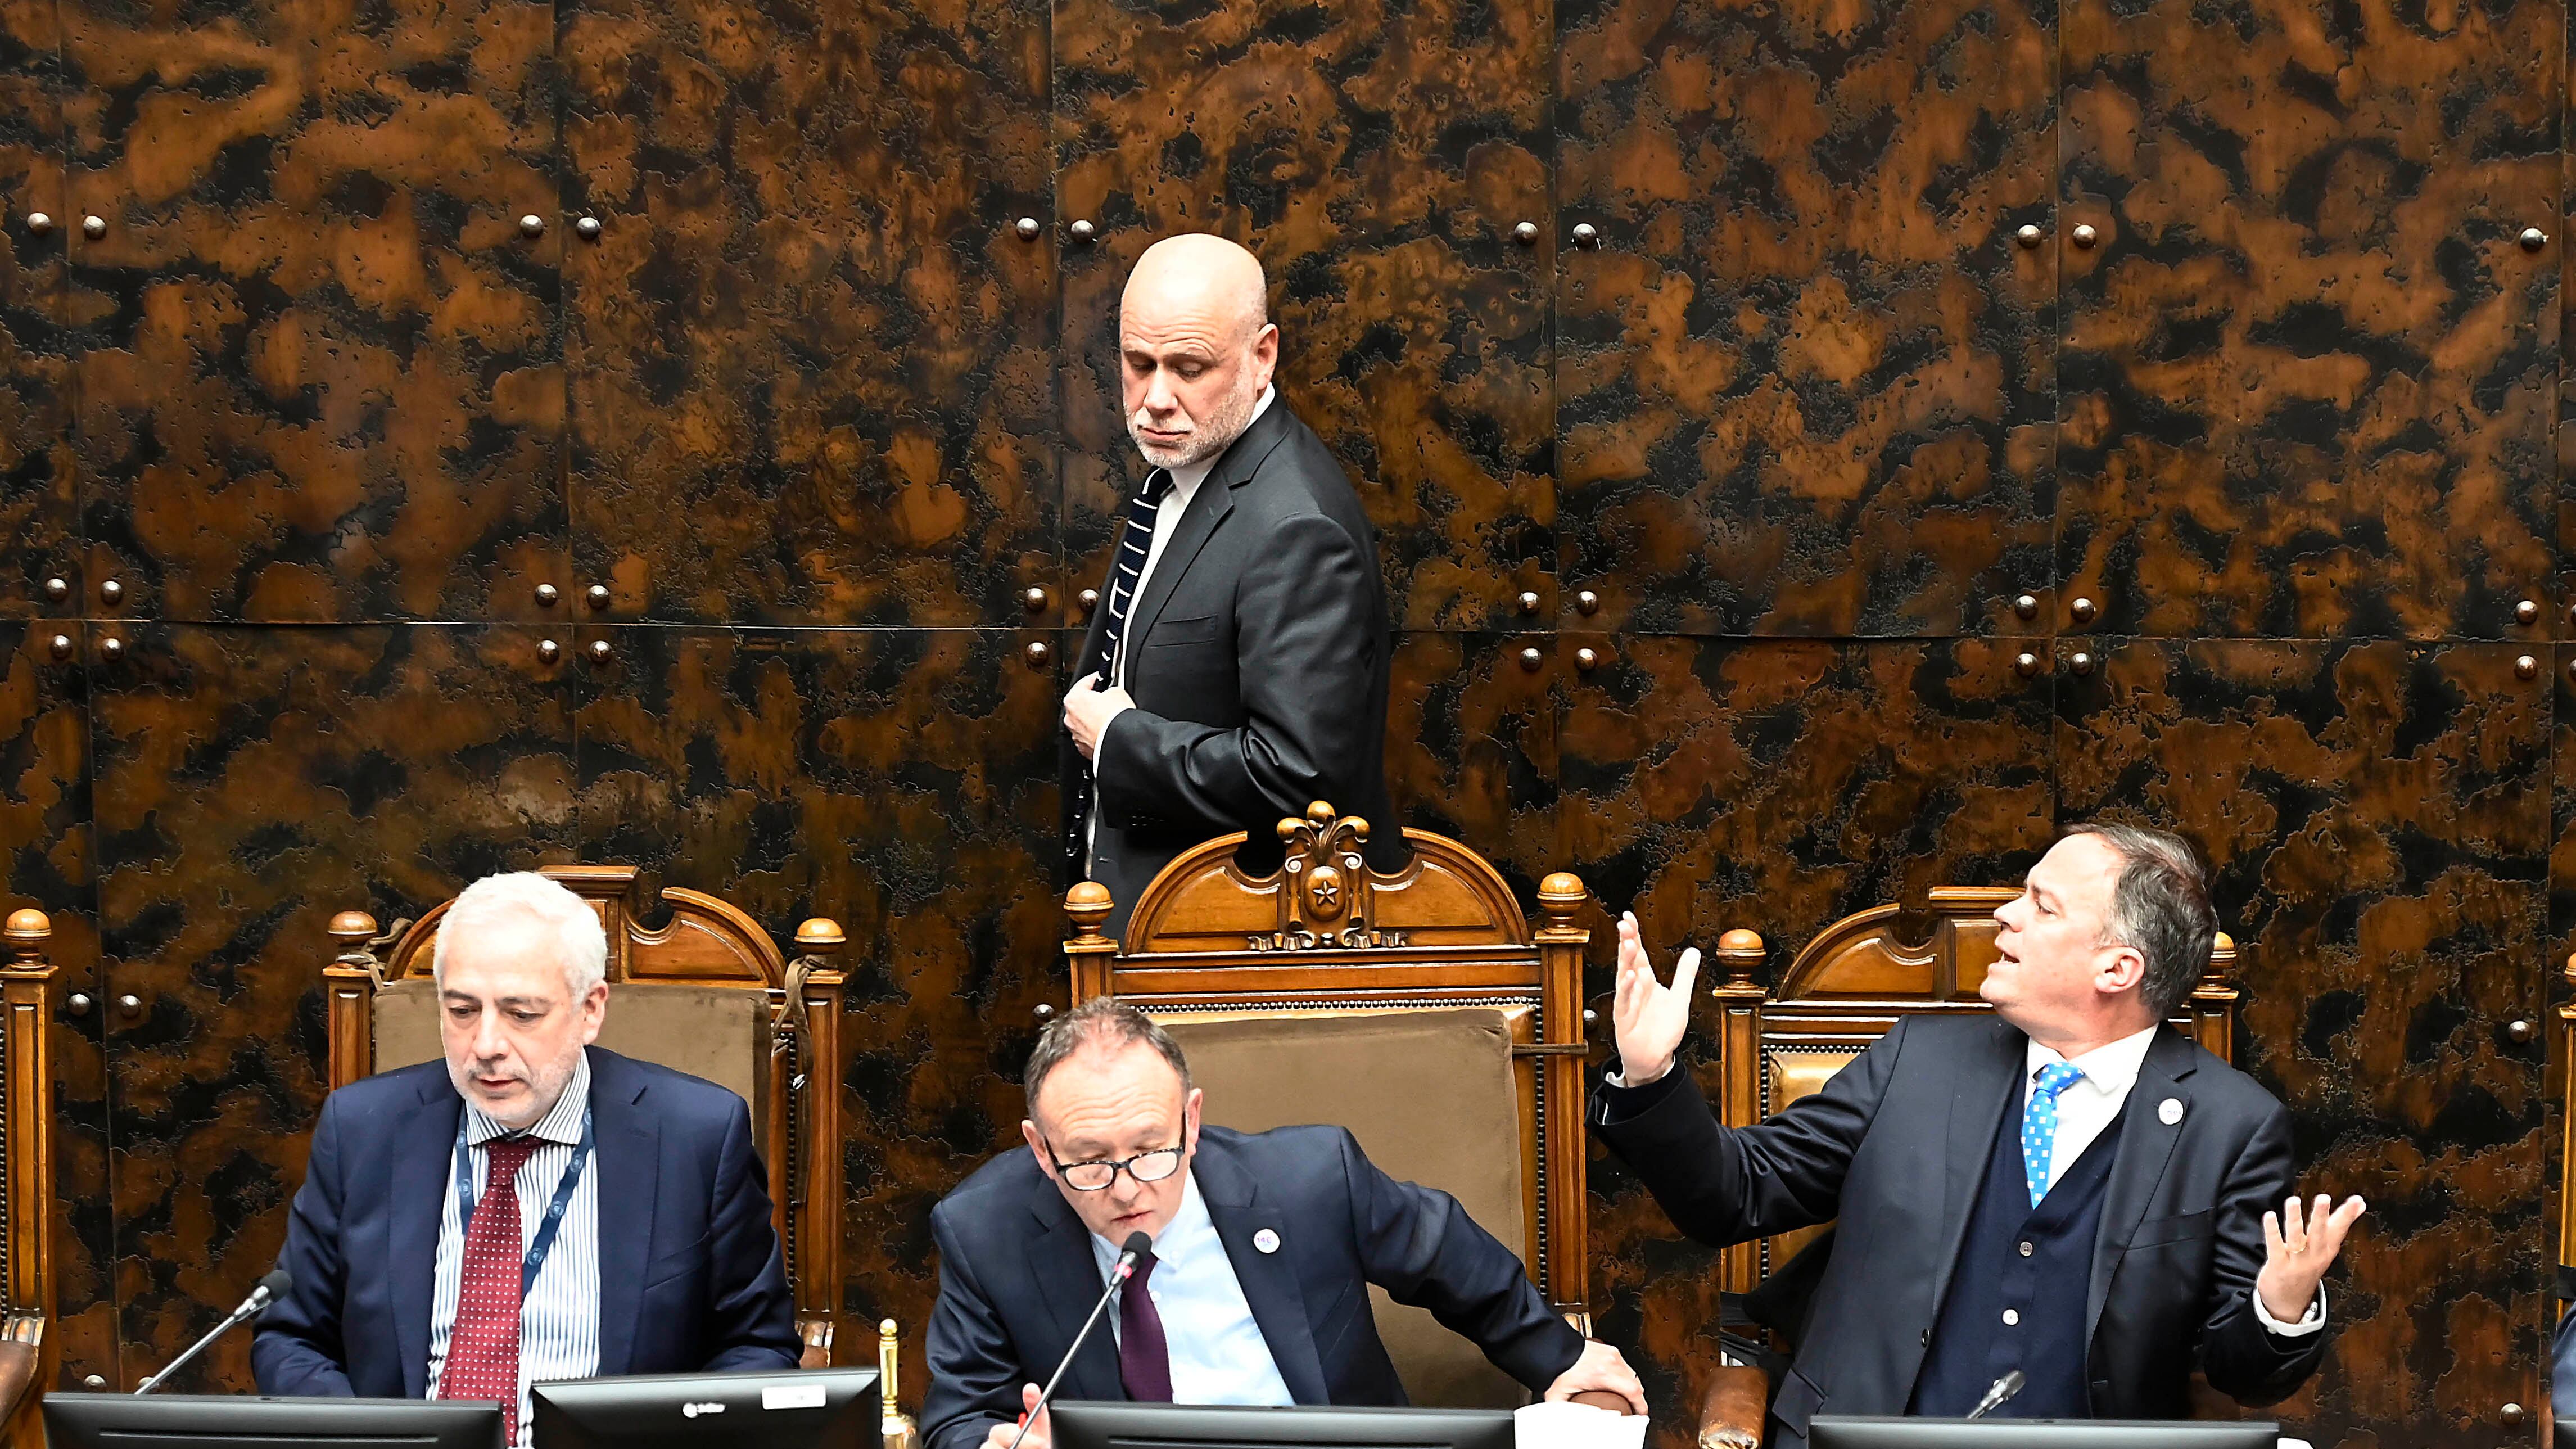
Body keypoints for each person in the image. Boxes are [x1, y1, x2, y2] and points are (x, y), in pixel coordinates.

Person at [1594, 825, 2366, 1447]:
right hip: (1862, 1437)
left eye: (2042, 904)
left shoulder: (2228, 1124)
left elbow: (2241, 1373)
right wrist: (1651, 1075)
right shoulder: (1917, 1061)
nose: (2004, 915)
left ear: (2117, 967)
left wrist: (2279, 1305)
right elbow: (1736, 1194)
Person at [923, 999, 1644, 1449]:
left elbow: (1447, 1254)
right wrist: (1001, 1446)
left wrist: (1563, 1359)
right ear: (1038, 1149)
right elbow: (956, 1418)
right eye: (1088, 1162)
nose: (1125, 1189)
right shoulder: (985, 1231)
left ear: (1192, 1120)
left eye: (1151, 1150)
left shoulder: (1309, 1178)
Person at [254, 873, 798, 1445]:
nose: (486, 1045)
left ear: (590, 1010)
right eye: (462, 1011)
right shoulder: (363, 1130)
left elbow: (757, 1347)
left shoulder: (696, 1138)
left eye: (521, 1014)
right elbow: (290, 1339)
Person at [1061, 233, 1404, 936]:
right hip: (1145, 924)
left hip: (1227, 953)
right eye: (1138, 364)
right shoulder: (1186, 471)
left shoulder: (1296, 527)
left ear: (1262, 355)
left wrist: (1121, 741)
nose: (1155, 399)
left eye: (1189, 367)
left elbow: (1299, 780)